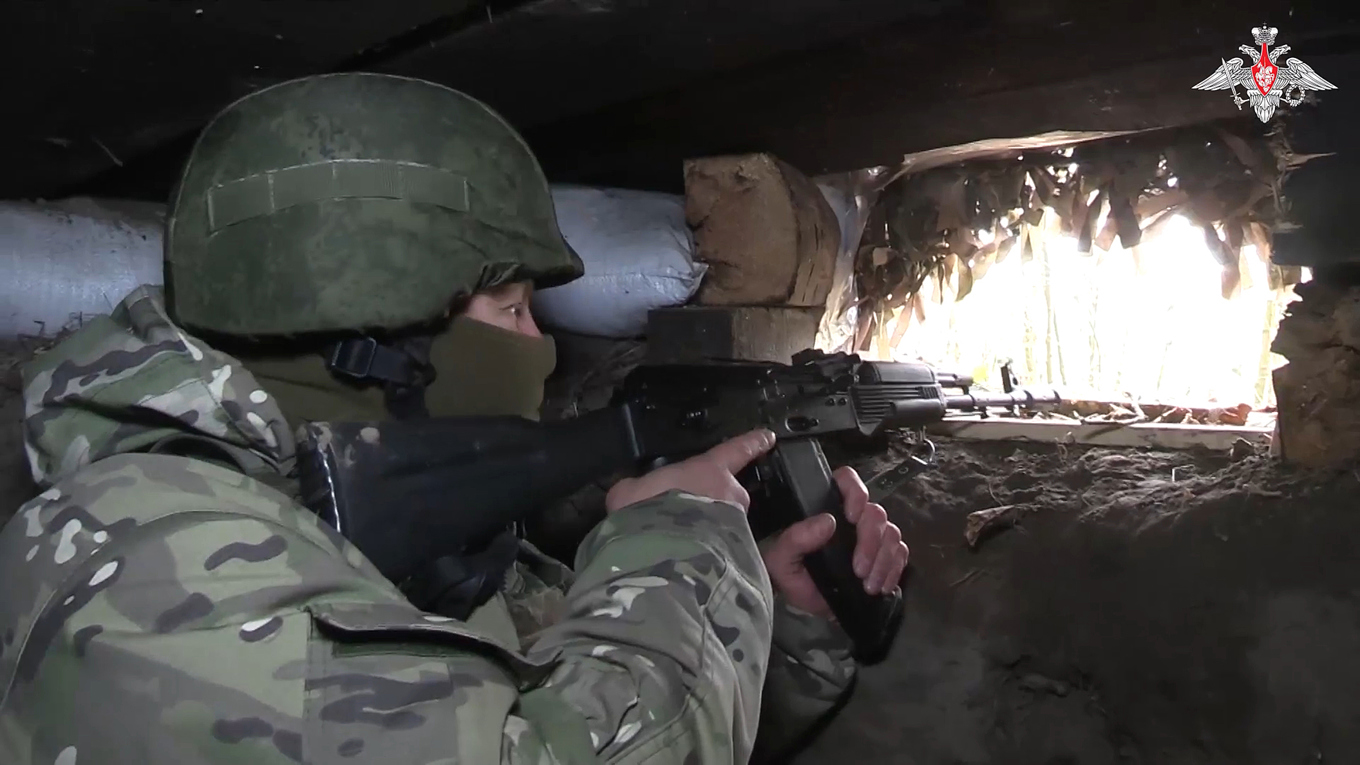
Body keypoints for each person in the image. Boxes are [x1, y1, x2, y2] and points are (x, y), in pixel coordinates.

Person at [0, 73, 907, 764]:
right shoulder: (147, 585)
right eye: (512, 309)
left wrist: (782, 618)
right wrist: (687, 543)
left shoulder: (416, 543)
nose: (541, 346)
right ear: (373, 340)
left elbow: (593, 702)